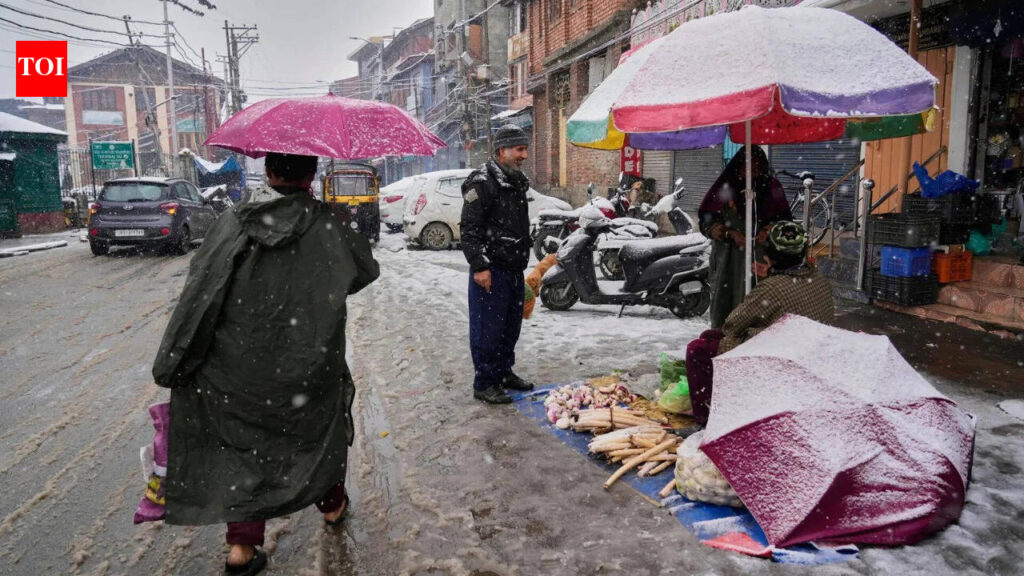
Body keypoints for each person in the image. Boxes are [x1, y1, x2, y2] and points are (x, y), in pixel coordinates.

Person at [152, 152, 379, 576]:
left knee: (244, 453)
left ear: (270, 174)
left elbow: (201, 296)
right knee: (315, 435)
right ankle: (333, 507)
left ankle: (241, 549)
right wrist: (335, 238)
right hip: (311, 360)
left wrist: (172, 362)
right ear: (312, 176)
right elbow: (364, 272)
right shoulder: (329, 223)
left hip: (240, 367)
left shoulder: (235, 221)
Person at [685, 221, 834, 426]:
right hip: (808, 347)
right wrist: (772, 274)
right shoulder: (817, 277)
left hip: (781, 357)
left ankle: (706, 421)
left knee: (698, 349)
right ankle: (722, 401)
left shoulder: (772, 288)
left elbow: (732, 325)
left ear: (769, 255)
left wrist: (768, 282)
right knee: (710, 336)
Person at [460, 124, 535, 404]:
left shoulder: (515, 180)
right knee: (487, 329)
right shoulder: (481, 182)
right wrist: (479, 266)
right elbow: (469, 228)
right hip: (491, 271)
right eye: (519, 149)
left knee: (509, 327)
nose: (524, 155)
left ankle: (504, 373)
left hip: (514, 269)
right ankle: (485, 382)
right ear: (502, 150)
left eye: (525, 149)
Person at [698, 147, 793, 329]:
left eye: (758, 167)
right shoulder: (724, 187)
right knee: (725, 308)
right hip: (728, 260)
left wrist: (768, 230)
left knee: (757, 309)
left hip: (760, 260)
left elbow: (785, 222)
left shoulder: (772, 187)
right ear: (738, 166)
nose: (753, 171)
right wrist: (729, 233)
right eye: (748, 166)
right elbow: (706, 222)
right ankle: (724, 345)